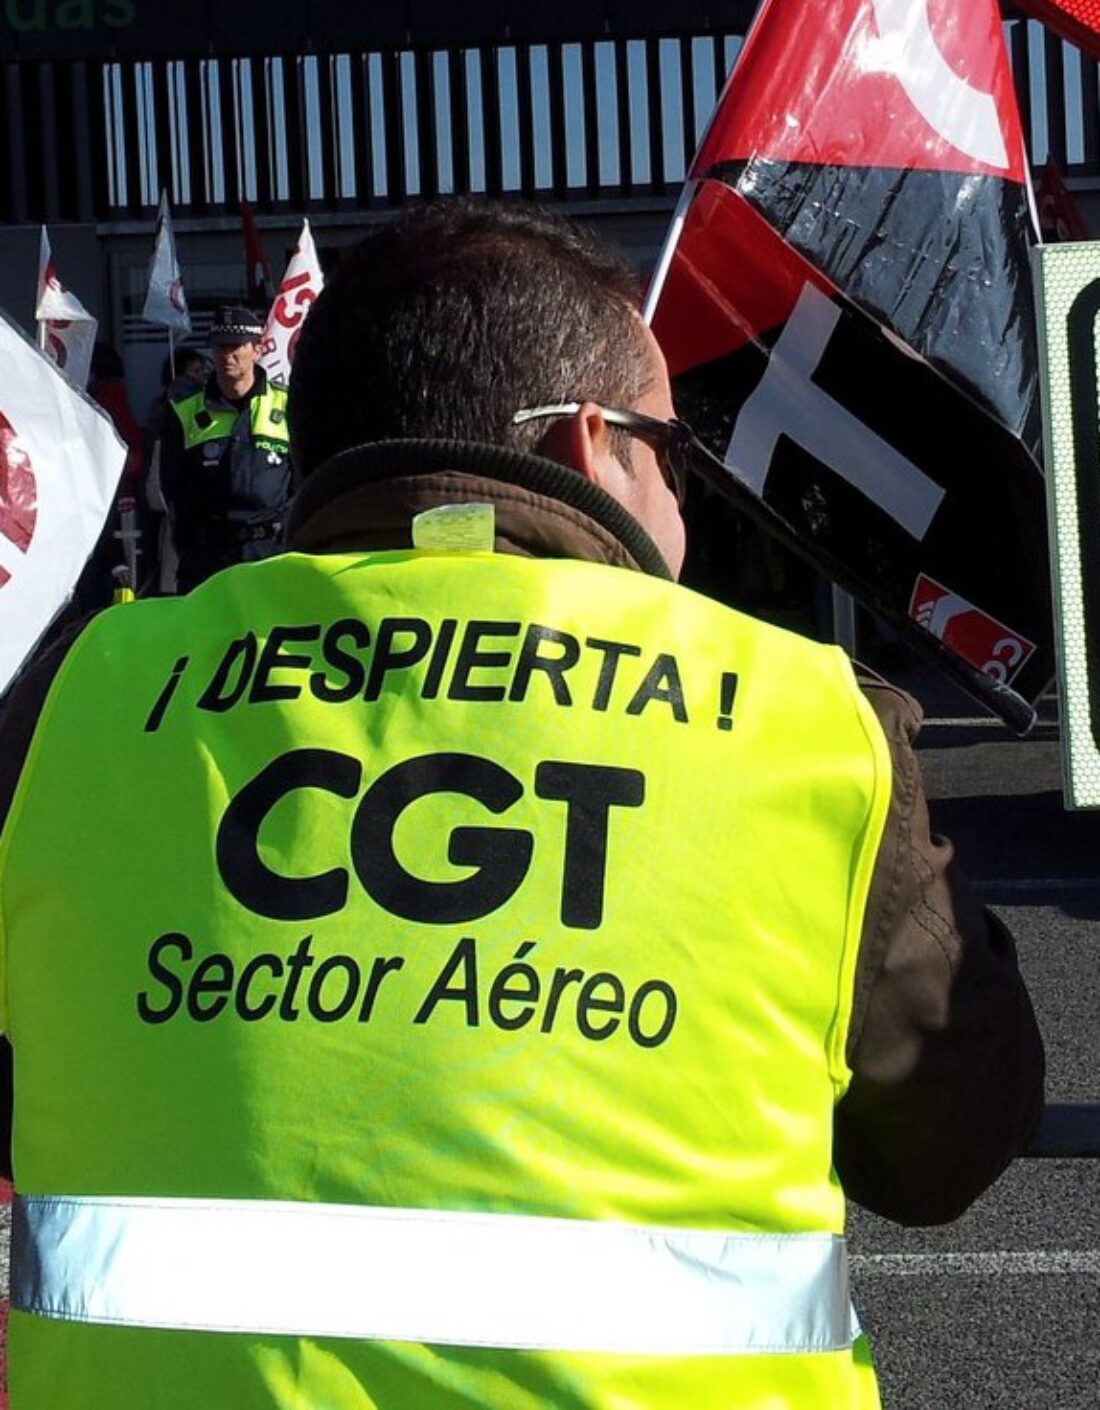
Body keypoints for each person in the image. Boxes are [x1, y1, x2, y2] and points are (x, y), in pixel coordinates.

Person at [0, 200, 1043, 1408]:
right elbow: (947, 1146)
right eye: (676, 454)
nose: (685, 503)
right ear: (591, 445)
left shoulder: (81, 699)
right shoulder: (801, 717)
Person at [153, 305, 290, 592]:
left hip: (271, 553)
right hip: (208, 557)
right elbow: (173, 489)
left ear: (257, 348)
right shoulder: (183, 410)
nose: (226, 355)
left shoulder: (287, 405)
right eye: (219, 347)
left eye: (235, 346)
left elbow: (302, 481)